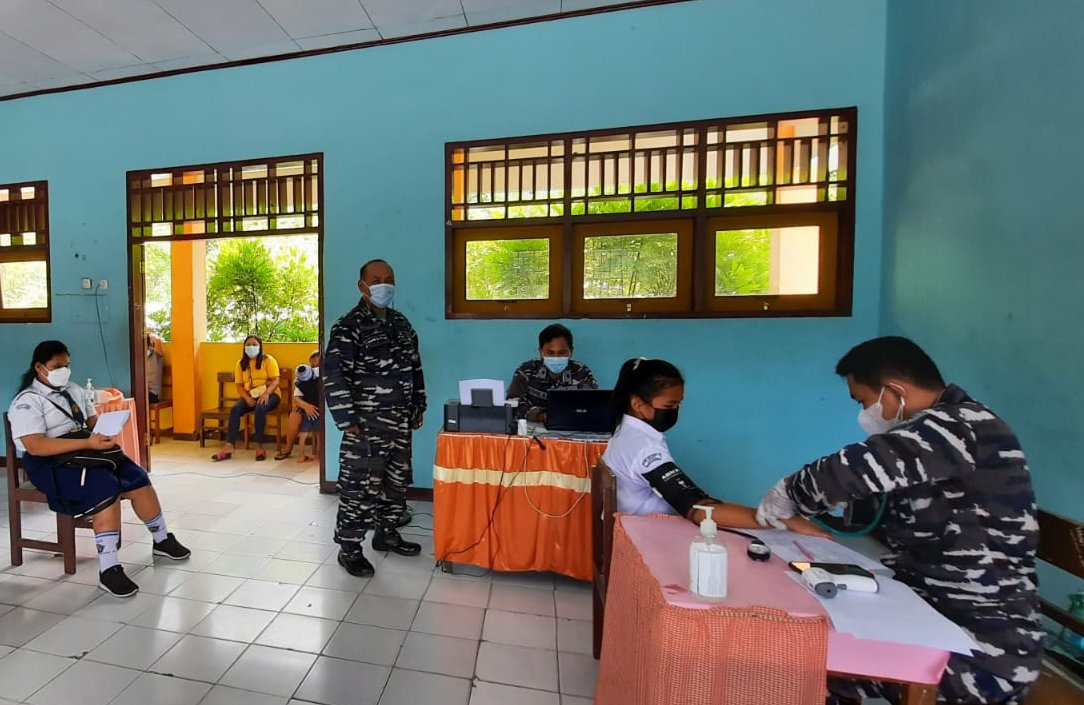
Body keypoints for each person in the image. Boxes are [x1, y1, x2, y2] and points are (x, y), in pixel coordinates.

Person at [754, 336, 1041, 705]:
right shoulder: (932, 441)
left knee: (809, 673)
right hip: (929, 617)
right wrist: (816, 517)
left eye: (863, 401)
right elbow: (874, 509)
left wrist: (788, 493)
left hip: (983, 645)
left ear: (894, 391)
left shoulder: (962, 425)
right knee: (800, 667)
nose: (864, 413)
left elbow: (857, 469)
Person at [7, 340, 191, 597]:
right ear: (40, 367)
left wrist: (109, 427)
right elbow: (35, 446)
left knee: (136, 476)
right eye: (58, 366)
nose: (65, 371)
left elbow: (92, 423)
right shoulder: (27, 401)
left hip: (85, 453)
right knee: (106, 487)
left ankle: (162, 539)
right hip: (51, 463)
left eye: (67, 365)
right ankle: (109, 569)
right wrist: (88, 442)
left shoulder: (73, 389)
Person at [603, 357, 826, 535]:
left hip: (637, 525)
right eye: (670, 405)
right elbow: (697, 509)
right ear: (638, 405)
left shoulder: (625, 432)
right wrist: (776, 519)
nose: (675, 411)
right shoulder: (644, 448)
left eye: (679, 404)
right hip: (645, 534)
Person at [324, 258, 426, 577]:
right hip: (365, 426)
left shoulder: (402, 324)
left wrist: (418, 405)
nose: (384, 284)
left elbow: (415, 368)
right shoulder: (348, 326)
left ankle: (387, 533)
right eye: (377, 279)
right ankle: (350, 549)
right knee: (360, 488)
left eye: (389, 278)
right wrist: (347, 419)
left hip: (399, 423)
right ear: (362, 286)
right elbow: (334, 375)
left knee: (395, 484)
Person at [507, 323, 598, 423]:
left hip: (571, 428)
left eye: (562, 352)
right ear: (541, 352)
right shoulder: (526, 371)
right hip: (533, 429)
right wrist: (540, 416)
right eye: (550, 353)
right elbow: (512, 405)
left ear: (571, 351)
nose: (556, 357)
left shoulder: (581, 373)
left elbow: (592, 406)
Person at [211, 335, 280, 462]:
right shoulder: (241, 363)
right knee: (235, 409)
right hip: (250, 395)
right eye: (248, 344)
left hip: (270, 394)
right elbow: (239, 386)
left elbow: (276, 380)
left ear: (260, 346)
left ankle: (259, 446)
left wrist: (266, 394)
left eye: (254, 344)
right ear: (244, 347)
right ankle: (229, 446)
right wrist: (247, 399)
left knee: (260, 408)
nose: (251, 347)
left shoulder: (268, 360)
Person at [275, 350, 321, 462]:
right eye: (313, 365)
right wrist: (306, 406)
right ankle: (288, 448)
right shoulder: (304, 377)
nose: (315, 367)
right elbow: (296, 398)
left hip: (324, 407)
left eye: (318, 365)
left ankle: (321, 454)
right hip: (307, 405)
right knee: (295, 415)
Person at [145, 329, 165, 403]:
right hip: (144, 391)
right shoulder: (140, 359)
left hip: (153, 393)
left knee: (137, 396)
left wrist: (149, 334)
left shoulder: (155, 355)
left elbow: (158, 340)